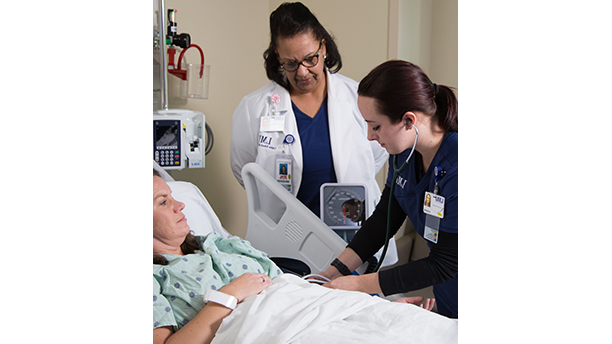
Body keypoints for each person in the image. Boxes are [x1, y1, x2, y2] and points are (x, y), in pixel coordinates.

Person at [152, 169, 435, 344]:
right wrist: (230, 294)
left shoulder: (221, 244)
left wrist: (378, 305)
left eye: (172, 196)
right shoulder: (156, 277)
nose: (180, 204)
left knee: (419, 329)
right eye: (164, 202)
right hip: (270, 333)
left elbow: (293, 290)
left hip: (312, 312)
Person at [230, 3, 389, 252]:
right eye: (290, 63)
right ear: (277, 57)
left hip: (354, 240)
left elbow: (378, 154)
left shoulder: (358, 98)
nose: (302, 72)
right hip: (286, 242)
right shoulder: (254, 107)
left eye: (310, 59)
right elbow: (246, 171)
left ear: (323, 47)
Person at [317, 60, 459, 318]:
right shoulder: (405, 154)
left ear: (408, 120)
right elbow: (385, 217)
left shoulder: (455, 164)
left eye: (376, 126)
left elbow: (445, 263)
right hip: (450, 298)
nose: (370, 136)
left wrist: (359, 284)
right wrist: (336, 270)